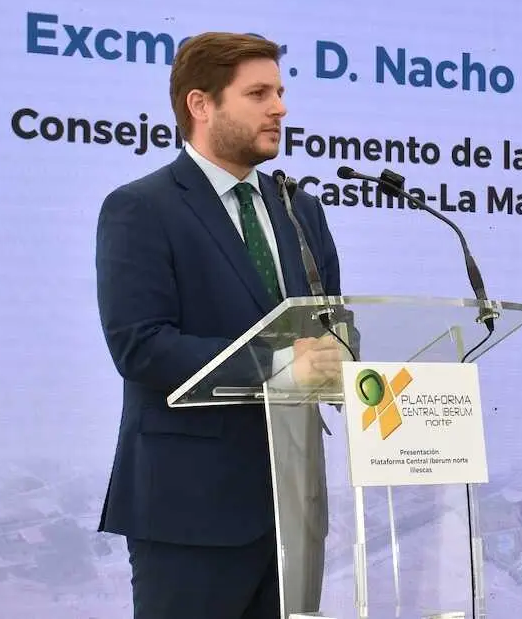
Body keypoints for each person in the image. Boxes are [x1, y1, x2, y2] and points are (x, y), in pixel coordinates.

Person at [94, 31, 344, 619]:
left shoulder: (300, 209)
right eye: (258, 93)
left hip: (292, 505)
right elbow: (142, 347)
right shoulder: (142, 208)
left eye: (280, 91)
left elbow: (330, 329)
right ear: (200, 105)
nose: (280, 107)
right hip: (189, 509)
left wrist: (342, 358)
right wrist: (284, 365)